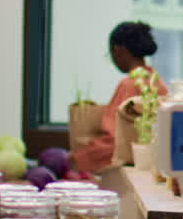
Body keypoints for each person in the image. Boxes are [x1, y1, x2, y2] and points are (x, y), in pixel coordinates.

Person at [70, 21, 169, 175]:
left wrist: (77, 158)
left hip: (126, 165)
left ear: (118, 50)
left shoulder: (129, 84)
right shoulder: (157, 82)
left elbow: (115, 140)